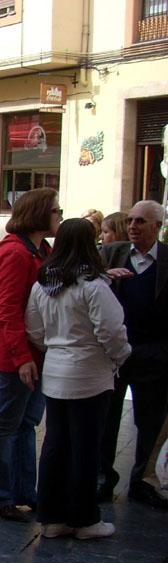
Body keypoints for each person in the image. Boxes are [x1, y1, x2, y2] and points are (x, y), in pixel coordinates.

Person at [25, 218, 129, 540]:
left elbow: (34, 330)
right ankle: (84, 519)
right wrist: (119, 356)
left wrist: (56, 349)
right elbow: (112, 332)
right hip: (89, 374)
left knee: (55, 444)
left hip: (56, 373)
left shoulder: (43, 285)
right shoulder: (93, 286)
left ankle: (52, 517)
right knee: (85, 447)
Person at [0, 188, 60, 522]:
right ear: (39, 214)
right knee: (5, 424)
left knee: (26, 424)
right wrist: (22, 357)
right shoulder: (16, 252)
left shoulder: (40, 249)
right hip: (18, 354)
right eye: (56, 210)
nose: (60, 215)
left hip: (35, 352)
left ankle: (24, 491)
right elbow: (7, 310)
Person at [97, 200, 168, 509]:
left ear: (157, 226)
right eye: (130, 221)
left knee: (149, 422)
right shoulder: (112, 253)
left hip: (152, 355)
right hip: (114, 355)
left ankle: (142, 481)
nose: (133, 227)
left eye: (140, 221)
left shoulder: (165, 260)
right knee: (106, 419)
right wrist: (103, 276)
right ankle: (103, 478)